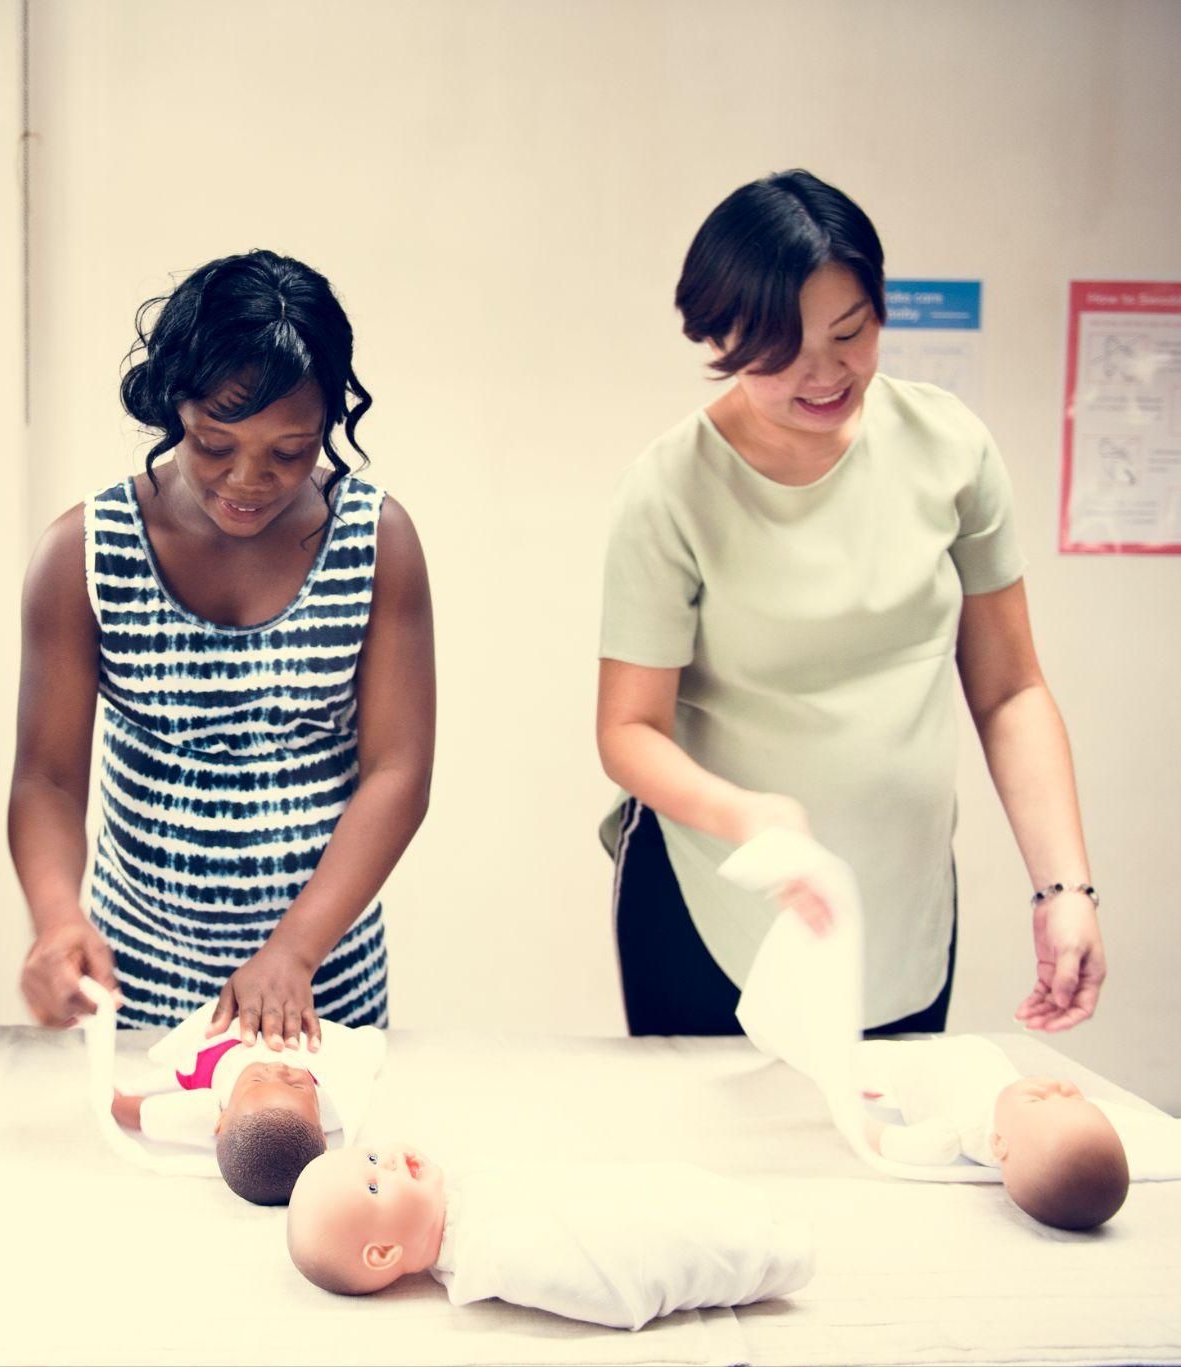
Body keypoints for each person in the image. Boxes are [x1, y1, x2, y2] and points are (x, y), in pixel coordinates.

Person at [597, 169, 1105, 1037]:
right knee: (718, 1161)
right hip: (717, 894)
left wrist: (1065, 885)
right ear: (717, 334)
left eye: (851, 331)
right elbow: (627, 730)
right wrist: (747, 815)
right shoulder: (671, 488)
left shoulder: (950, 449)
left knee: (882, 1156)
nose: (825, 373)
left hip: (900, 897)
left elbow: (1011, 689)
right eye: (781, 350)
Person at [10, 249, 434, 1048]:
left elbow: (398, 771)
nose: (247, 479)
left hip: (322, 981)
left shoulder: (378, 540)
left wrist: (295, 950)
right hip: (133, 977)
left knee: (311, 1171)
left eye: (289, 451)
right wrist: (58, 919)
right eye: (214, 443)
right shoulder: (83, 553)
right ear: (175, 407)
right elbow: (47, 779)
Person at [286, 1144, 814, 1329]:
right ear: (384, 1254)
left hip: (646, 1193)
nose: (390, 1159)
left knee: (667, 1187)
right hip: (665, 1238)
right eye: (376, 1182)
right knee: (680, 1235)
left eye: (373, 1154)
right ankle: (761, 1253)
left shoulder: (466, 1189)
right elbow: (602, 1276)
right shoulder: (486, 1256)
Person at [109, 996, 387, 1204]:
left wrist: (115, 1101)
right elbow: (361, 1059)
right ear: (323, 1134)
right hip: (303, 1008)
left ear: (221, 1119)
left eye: (258, 1081)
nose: (277, 1069)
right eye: (297, 1085)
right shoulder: (333, 1107)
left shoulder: (213, 1101)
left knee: (176, 1071)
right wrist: (368, 1046)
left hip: (220, 1029)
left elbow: (149, 1114)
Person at [857, 1036, 1129, 1231]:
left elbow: (891, 1142)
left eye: (1037, 1101)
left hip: (905, 1063)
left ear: (999, 1143)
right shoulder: (1022, 1122)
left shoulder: (953, 1137)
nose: (1059, 1086)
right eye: (1074, 1098)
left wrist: (859, 1122)